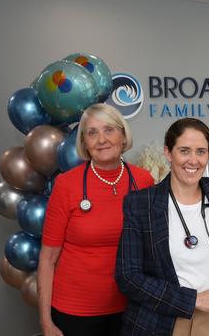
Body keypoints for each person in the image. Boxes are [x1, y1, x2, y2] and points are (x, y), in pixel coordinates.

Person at [116, 118, 209, 335]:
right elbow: (128, 277)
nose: (193, 160)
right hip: (159, 323)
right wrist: (192, 300)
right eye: (184, 151)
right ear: (168, 153)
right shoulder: (141, 203)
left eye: (201, 151)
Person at [37, 103, 155, 336]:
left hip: (131, 306)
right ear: (84, 143)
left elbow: (152, 248)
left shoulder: (143, 181)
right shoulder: (67, 184)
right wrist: (45, 321)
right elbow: (48, 258)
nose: (101, 139)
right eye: (92, 132)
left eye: (109, 130)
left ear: (123, 136)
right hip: (76, 310)